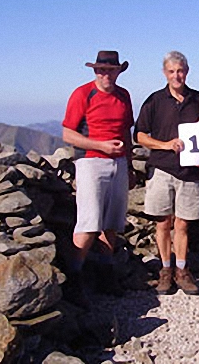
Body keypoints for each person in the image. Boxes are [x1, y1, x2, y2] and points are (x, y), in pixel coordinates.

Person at [62, 50, 135, 304]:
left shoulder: (123, 96)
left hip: (119, 163)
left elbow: (126, 131)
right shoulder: (83, 94)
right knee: (88, 223)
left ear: (118, 71)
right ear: (95, 71)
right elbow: (68, 134)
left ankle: (106, 274)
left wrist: (130, 165)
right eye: (100, 70)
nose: (105, 74)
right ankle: (73, 279)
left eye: (110, 70)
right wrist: (101, 146)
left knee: (112, 222)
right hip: (91, 162)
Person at [134, 51, 199, 295]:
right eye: (172, 71)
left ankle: (182, 270)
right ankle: (166, 270)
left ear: (187, 71)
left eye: (181, 70)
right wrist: (166, 144)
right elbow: (140, 135)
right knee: (163, 223)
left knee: (183, 225)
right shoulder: (154, 100)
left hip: (189, 170)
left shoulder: (198, 98)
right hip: (162, 168)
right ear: (165, 73)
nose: (177, 75)